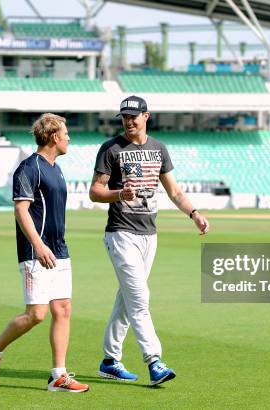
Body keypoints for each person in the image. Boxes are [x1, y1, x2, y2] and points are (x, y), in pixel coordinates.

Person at [89, 96, 209, 386]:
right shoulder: (111, 148)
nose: (129, 122)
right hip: (121, 233)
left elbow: (174, 191)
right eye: (124, 117)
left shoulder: (159, 149)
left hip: (149, 235)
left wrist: (193, 213)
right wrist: (119, 194)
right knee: (140, 297)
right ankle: (154, 361)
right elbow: (95, 191)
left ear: (146, 116)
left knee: (128, 299)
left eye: (134, 116)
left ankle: (109, 360)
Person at [0, 113, 89, 393]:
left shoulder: (57, 169)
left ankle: (58, 376)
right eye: (65, 133)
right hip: (35, 251)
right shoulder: (29, 168)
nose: (68, 138)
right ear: (53, 136)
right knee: (36, 314)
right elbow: (20, 210)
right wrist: (38, 245)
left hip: (60, 250)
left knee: (63, 309)